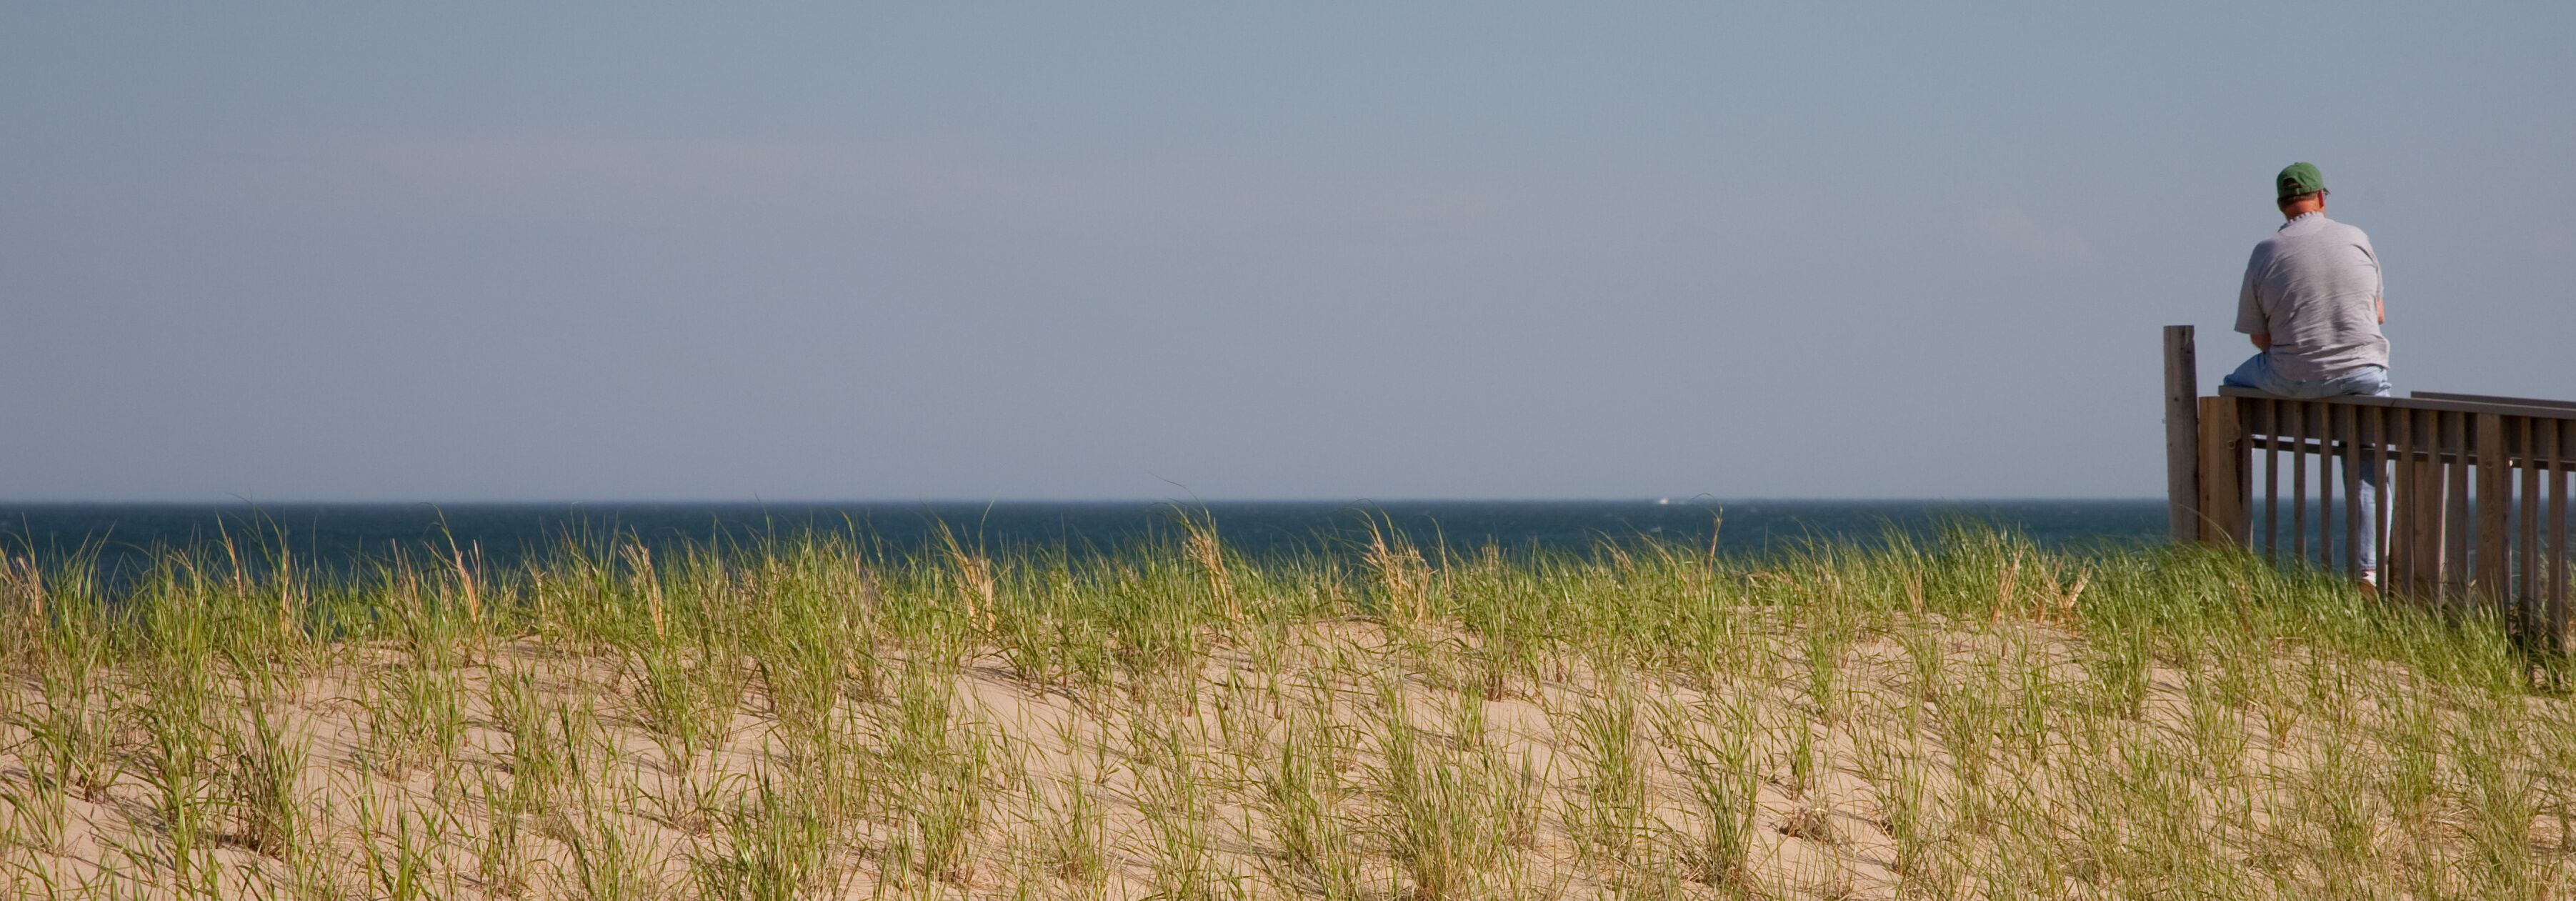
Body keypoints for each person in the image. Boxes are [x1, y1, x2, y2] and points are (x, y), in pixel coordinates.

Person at [2224, 161, 2390, 587]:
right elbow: (2378, 317)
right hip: (2363, 373)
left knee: (2230, 387)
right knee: (2367, 466)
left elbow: (2259, 338)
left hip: (2293, 375)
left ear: (2282, 205)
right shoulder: (2357, 238)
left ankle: (2228, 543)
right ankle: (2369, 569)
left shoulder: (2266, 252)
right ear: (2321, 198)